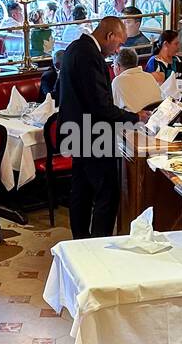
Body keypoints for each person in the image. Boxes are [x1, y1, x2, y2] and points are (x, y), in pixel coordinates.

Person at [57, 16, 145, 238]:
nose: (118, 50)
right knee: (108, 192)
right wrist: (135, 117)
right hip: (92, 133)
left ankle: (80, 240)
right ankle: (98, 243)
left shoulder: (74, 48)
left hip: (75, 130)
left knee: (82, 190)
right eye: (118, 43)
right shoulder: (89, 56)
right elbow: (100, 106)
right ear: (109, 36)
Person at [111, 47, 162, 113]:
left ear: (117, 66)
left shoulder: (117, 81)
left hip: (135, 121)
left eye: (113, 65)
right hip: (156, 119)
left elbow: (113, 111)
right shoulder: (149, 76)